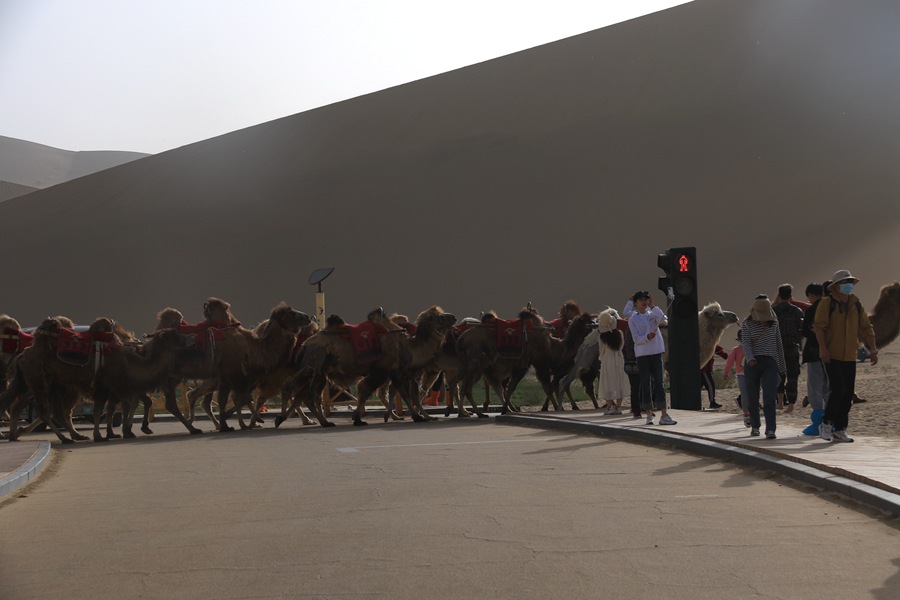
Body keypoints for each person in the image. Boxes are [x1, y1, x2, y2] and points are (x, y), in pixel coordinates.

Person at [814, 270, 879, 443]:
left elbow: (866, 327)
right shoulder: (827, 304)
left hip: (850, 355)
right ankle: (826, 424)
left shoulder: (856, 303)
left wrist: (872, 350)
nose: (848, 284)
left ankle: (840, 429)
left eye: (850, 281)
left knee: (848, 392)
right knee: (838, 389)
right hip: (832, 354)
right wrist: (823, 349)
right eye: (844, 281)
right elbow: (819, 328)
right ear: (835, 286)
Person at [740, 295, 786, 439]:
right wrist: (750, 358)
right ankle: (755, 426)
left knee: (769, 397)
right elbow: (746, 343)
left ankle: (771, 429)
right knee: (753, 397)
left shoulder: (774, 323)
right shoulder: (747, 323)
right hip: (753, 364)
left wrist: (782, 368)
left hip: (770, 363)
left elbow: (779, 345)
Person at [627, 291, 676, 426]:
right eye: (641, 299)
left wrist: (654, 306)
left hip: (656, 353)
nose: (644, 301)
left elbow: (663, 318)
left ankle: (664, 415)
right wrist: (646, 337)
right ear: (636, 302)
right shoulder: (633, 319)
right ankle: (648, 414)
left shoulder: (653, 314)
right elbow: (636, 339)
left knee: (659, 384)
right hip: (643, 355)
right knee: (646, 384)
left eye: (646, 299)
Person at [800, 282, 829, 435]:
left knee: (814, 388)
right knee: (827, 387)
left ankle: (818, 423)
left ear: (811, 295)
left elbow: (805, 331)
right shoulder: (831, 307)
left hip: (814, 352)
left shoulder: (812, 309)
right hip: (831, 353)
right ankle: (831, 421)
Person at [772, 284, 805, 413]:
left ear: (779, 296)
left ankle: (780, 403)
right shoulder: (797, 311)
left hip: (777, 348)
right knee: (793, 376)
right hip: (792, 347)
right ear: (791, 296)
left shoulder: (773, 311)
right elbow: (801, 330)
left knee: (779, 375)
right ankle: (791, 405)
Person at [597, 308, 630, 415]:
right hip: (619, 359)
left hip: (607, 360)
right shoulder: (619, 333)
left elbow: (601, 350)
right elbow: (621, 346)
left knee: (608, 383)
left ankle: (610, 407)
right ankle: (619, 407)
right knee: (619, 381)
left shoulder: (601, 337)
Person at [723, 332, 749, 426]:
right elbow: (730, 361)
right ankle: (746, 414)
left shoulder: (753, 348)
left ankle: (753, 413)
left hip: (754, 375)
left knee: (754, 393)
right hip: (741, 374)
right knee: (745, 394)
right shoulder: (736, 350)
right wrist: (726, 372)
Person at [700, 345, 729, 409]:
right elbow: (717, 349)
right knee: (710, 385)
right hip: (704, 369)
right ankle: (712, 402)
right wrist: (726, 356)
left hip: (704, 368)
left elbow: (718, 349)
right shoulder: (708, 343)